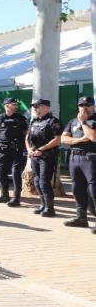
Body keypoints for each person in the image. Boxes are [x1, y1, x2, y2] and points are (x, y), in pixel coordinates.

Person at [61, 95, 96, 231]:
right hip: (74, 158)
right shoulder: (72, 121)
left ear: (93, 106)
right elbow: (64, 139)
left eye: (87, 105)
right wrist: (80, 140)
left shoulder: (90, 120)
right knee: (77, 189)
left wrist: (83, 123)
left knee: (94, 190)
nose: (84, 108)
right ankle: (81, 218)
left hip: (91, 159)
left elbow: (93, 137)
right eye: (81, 105)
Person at [25, 99, 62, 217]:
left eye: (37, 106)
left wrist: (42, 149)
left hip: (47, 156)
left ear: (46, 107)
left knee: (44, 181)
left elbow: (57, 139)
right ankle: (43, 204)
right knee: (36, 181)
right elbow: (27, 137)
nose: (35, 109)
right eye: (34, 107)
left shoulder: (53, 121)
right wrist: (29, 149)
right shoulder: (33, 121)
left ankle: (50, 208)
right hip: (35, 155)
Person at [0, 97, 28, 207]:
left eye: (16, 105)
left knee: (16, 173)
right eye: (13, 104)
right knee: (1, 172)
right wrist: (1, 141)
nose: (16, 106)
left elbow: (26, 132)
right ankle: (4, 195)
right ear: (6, 105)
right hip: (3, 150)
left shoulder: (21, 118)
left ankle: (16, 198)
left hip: (17, 149)